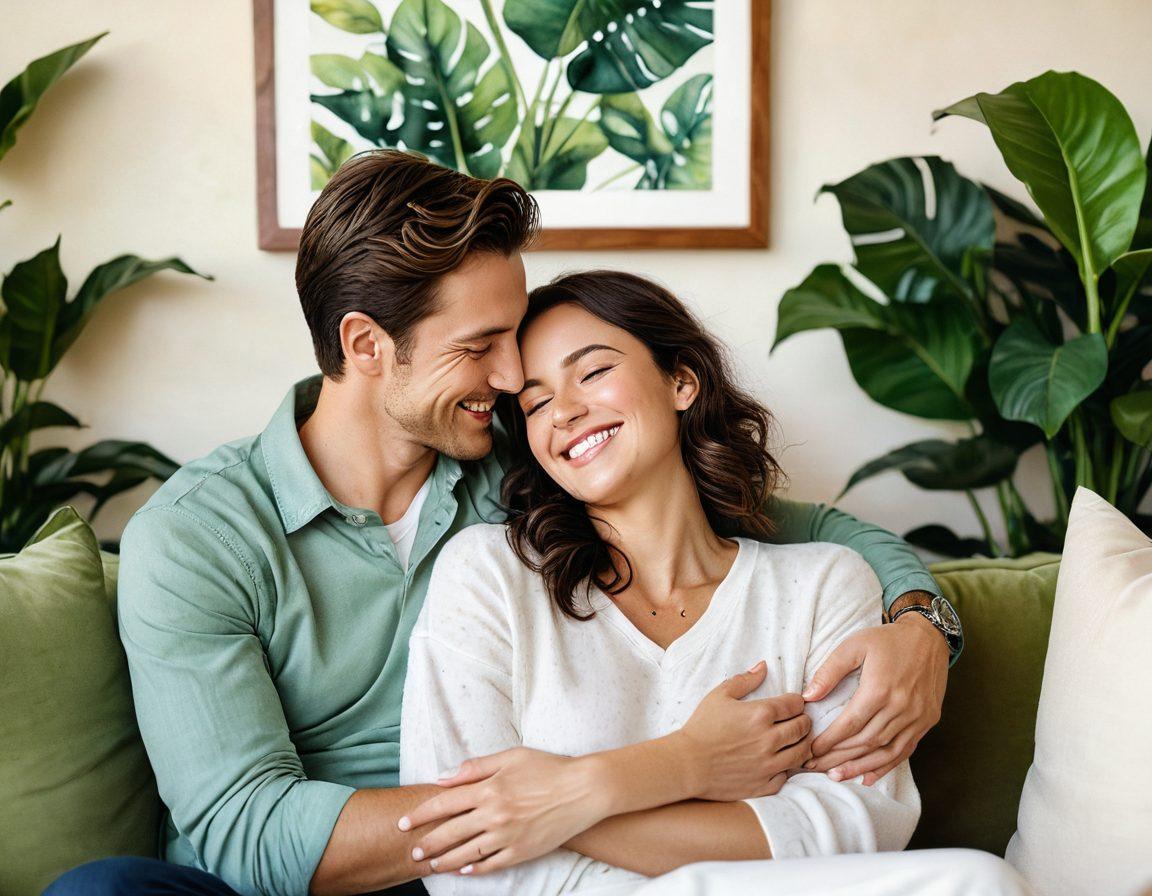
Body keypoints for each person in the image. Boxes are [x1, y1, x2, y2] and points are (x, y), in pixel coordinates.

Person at [46, 151, 959, 896]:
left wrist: (921, 622)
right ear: (366, 346)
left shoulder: (521, 465)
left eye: (513, 333)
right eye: (480, 346)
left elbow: (788, 529)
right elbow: (252, 834)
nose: (515, 375)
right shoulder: (199, 537)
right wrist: (641, 776)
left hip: (514, 865)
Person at [397, 271, 1029, 895]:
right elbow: (462, 849)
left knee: (982, 881)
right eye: (534, 403)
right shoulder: (488, 575)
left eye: (592, 372)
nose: (564, 411)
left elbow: (854, 824)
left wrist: (564, 802)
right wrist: (674, 768)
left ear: (681, 381)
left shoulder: (822, 583)